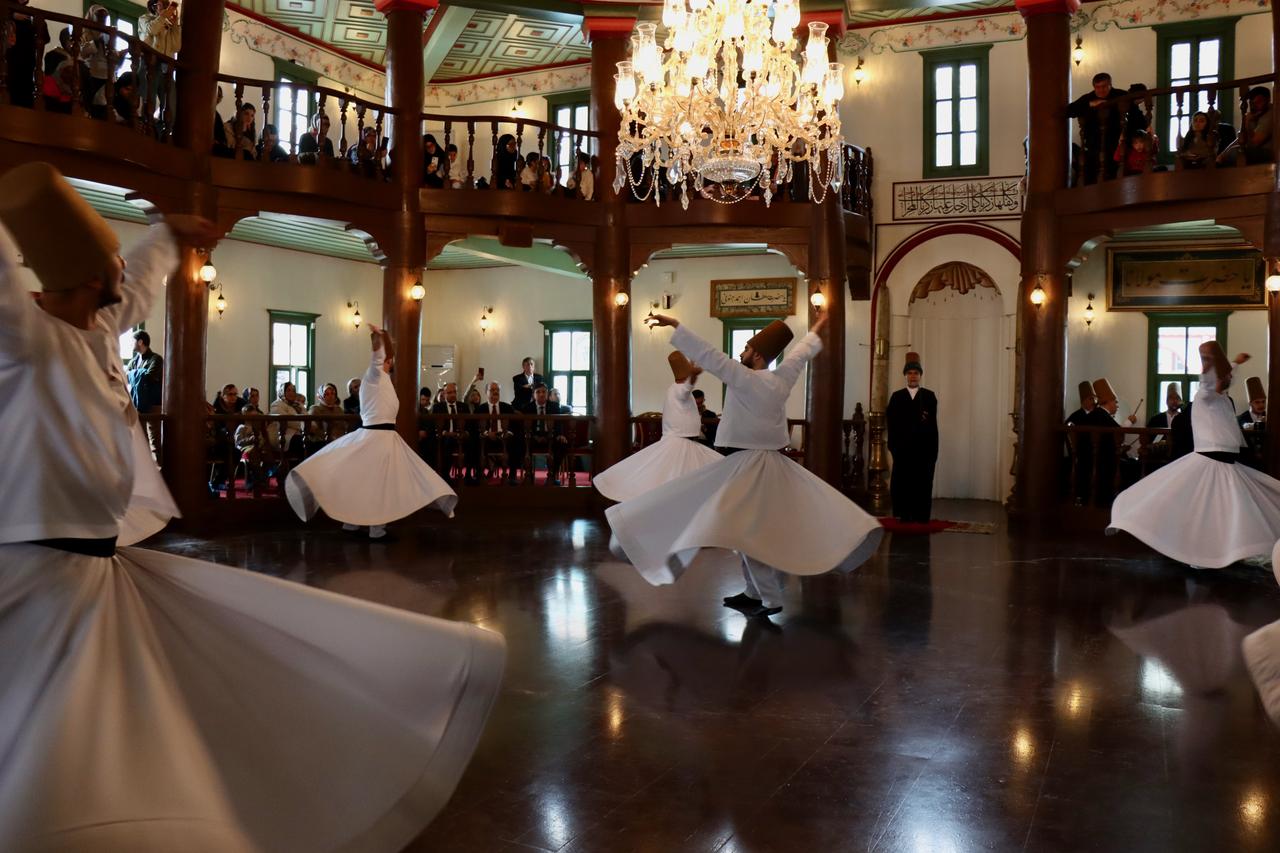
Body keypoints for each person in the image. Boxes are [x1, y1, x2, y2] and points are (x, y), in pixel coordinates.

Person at [0, 162, 505, 850]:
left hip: (92, 572)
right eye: (112, 259)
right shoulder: (27, 339)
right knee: (49, 741)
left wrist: (167, 234)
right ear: (90, 274)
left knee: (103, 734)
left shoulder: (99, 327)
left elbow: (139, 285)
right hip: (34, 574)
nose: (124, 268)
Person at [607, 315, 884, 620]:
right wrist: (818, 329)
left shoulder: (744, 377)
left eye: (748, 347)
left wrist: (675, 324)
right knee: (748, 530)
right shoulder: (783, 377)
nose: (743, 350)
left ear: (759, 355)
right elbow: (800, 353)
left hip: (749, 464)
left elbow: (710, 355)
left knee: (747, 532)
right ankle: (755, 592)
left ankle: (768, 596)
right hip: (770, 464)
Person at [1109, 342, 1280, 567]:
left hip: (1228, 463)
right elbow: (1211, 381)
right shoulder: (1204, 395)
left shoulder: (1224, 399)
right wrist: (1221, 362)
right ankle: (1201, 552)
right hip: (1209, 460)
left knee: (1232, 511)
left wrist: (1235, 363)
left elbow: (1228, 377)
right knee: (1202, 509)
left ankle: (1227, 550)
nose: (1223, 378)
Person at [286, 325, 458, 539]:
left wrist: (386, 337)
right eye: (388, 355)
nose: (391, 358)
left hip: (384, 437)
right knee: (374, 483)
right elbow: (379, 356)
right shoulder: (374, 375)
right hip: (375, 437)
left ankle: (354, 524)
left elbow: (388, 356)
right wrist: (380, 338)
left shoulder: (384, 378)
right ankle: (372, 528)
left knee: (369, 482)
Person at [595, 352, 723, 502]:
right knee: (675, 480)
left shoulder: (673, 389)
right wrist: (694, 377)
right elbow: (687, 388)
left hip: (684, 443)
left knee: (685, 478)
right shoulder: (678, 389)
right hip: (678, 443)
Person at [885, 351, 939, 525]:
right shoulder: (897, 397)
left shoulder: (929, 396)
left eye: (916, 373)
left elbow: (932, 425)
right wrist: (894, 447)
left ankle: (920, 516)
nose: (913, 376)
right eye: (910, 373)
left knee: (922, 483)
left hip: (923, 450)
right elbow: (892, 424)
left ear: (920, 375)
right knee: (902, 482)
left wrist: (932, 450)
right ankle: (902, 514)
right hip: (903, 449)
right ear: (905, 375)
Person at [1066, 72, 1130, 184]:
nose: (1101, 90)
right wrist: (1090, 105)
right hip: (1094, 144)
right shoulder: (1088, 98)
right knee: (1092, 176)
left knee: (1115, 176)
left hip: (1117, 142)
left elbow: (1135, 114)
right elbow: (1068, 111)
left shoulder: (1121, 95)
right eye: (1097, 87)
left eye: (1104, 87)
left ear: (1110, 85)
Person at [1086, 377, 1138, 503]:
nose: (1117, 405)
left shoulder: (1096, 414)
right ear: (1108, 402)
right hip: (1104, 462)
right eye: (1115, 402)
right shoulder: (1102, 415)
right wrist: (1128, 422)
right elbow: (1117, 434)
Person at [517, 382, 569, 486]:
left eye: (544, 392)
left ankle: (552, 475)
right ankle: (528, 475)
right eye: (538, 392)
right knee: (521, 443)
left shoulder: (554, 406)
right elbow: (524, 427)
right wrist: (534, 436)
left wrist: (560, 434)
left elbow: (558, 424)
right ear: (534, 394)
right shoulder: (527, 408)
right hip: (533, 438)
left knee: (562, 444)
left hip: (551, 437)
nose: (541, 394)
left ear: (547, 394)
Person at [433, 381, 480, 485]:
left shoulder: (463, 406)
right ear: (444, 394)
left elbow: (469, 425)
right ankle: (446, 475)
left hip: (461, 437)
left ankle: (468, 474)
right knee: (446, 442)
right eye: (449, 392)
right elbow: (435, 427)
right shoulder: (438, 407)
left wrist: (466, 433)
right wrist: (446, 433)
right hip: (446, 437)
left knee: (474, 441)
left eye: (454, 392)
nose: (453, 394)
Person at [127, 328, 163, 454]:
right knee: (140, 439)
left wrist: (134, 374)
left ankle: (160, 470)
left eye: (133, 341)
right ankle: (146, 470)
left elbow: (150, 377)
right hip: (137, 404)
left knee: (155, 439)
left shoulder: (156, 359)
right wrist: (140, 373)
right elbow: (126, 377)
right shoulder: (133, 361)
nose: (131, 344)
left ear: (140, 342)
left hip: (153, 403)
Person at [1218, 87, 1274, 166]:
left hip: (1268, 152)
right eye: (1252, 102)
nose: (1254, 105)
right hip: (1254, 150)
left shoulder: (1271, 114)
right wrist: (1222, 155)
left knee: (1235, 153)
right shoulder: (1254, 114)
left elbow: (1255, 142)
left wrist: (1246, 121)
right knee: (1226, 155)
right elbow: (1241, 138)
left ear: (1267, 100)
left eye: (1259, 102)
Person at [480, 380, 517, 483]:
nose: (495, 392)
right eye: (492, 390)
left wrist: (508, 433)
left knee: (516, 442)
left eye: (497, 390)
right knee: (477, 442)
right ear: (486, 392)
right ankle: (481, 473)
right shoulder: (480, 409)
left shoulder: (507, 408)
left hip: (504, 437)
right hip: (487, 438)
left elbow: (514, 426)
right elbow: (476, 427)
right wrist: (487, 433)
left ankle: (512, 476)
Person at [4, 0, 37, 109]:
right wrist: (13, 15)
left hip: (28, 59)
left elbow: (44, 37)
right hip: (13, 57)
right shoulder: (7, 7)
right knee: (13, 89)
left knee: (26, 91)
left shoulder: (29, 11)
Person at [306, 381, 348, 453]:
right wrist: (331, 437)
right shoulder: (315, 409)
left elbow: (343, 426)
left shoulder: (339, 409)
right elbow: (313, 429)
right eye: (326, 394)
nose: (331, 396)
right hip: (321, 442)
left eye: (332, 393)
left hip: (340, 441)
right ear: (321, 395)